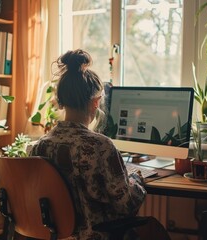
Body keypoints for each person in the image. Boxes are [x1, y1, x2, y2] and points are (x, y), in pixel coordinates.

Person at [29, 49, 170, 240]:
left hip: (57, 236)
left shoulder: (40, 146)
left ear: (60, 101)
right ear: (96, 102)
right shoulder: (100, 146)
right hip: (96, 235)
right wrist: (136, 180)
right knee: (154, 231)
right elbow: (126, 204)